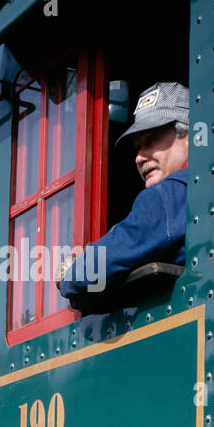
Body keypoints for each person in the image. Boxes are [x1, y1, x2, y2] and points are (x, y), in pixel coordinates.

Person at [58, 82, 189, 298]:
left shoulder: (166, 195)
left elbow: (113, 253)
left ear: (188, 137)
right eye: (138, 147)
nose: (139, 157)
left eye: (152, 140)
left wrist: (71, 273)